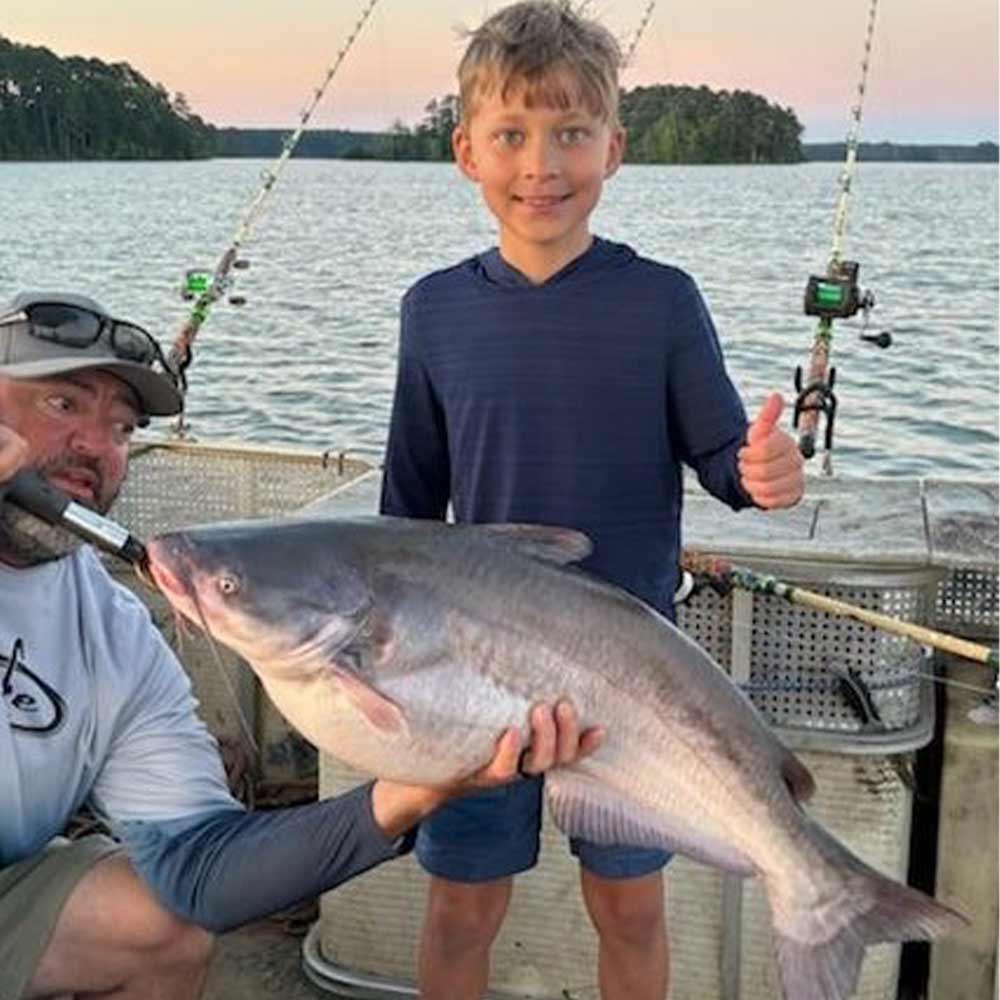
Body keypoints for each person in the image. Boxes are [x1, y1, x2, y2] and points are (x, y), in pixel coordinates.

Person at [0, 290, 602, 1000]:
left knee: (158, 926)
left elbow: (198, 873)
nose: (96, 449)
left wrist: (418, 787)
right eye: (62, 405)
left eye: (123, 428)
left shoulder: (118, 637)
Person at [379, 3, 806, 998]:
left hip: (631, 685)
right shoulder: (432, 309)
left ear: (612, 148)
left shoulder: (661, 300)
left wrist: (765, 472)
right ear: (466, 153)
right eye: (513, 135)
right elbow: (405, 510)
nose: (542, 163)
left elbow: (721, 462)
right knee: (460, 905)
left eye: (571, 132)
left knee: (627, 906)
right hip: (469, 677)